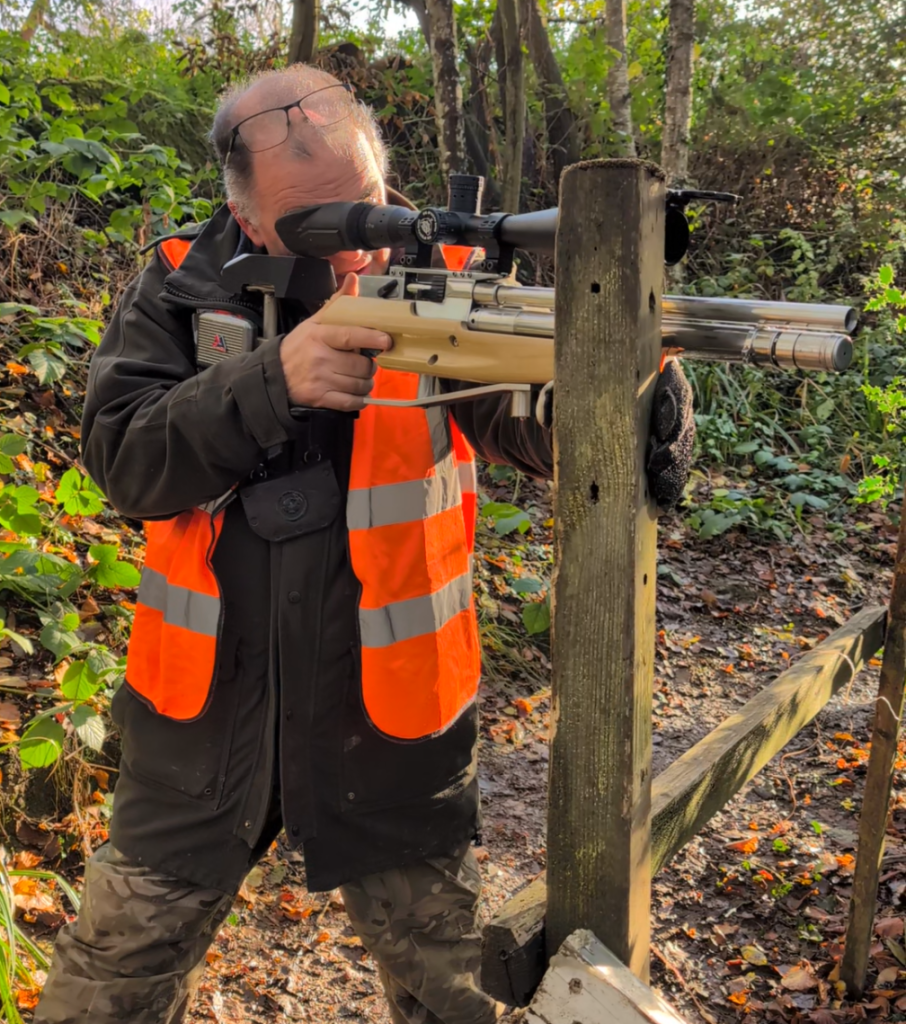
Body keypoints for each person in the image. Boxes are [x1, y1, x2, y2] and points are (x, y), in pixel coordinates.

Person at [33, 64, 694, 1024]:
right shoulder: (183, 280)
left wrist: (638, 387)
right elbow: (124, 463)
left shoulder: (447, 274)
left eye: (372, 209)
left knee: (451, 996)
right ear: (248, 216)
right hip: (202, 728)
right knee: (105, 993)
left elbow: (540, 428)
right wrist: (273, 380)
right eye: (318, 226)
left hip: (390, 728)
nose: (357, 251)